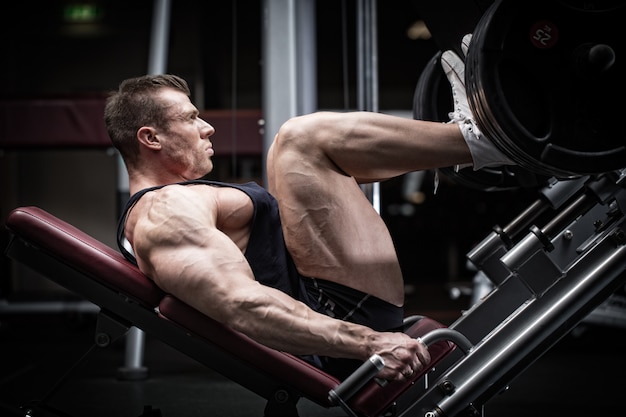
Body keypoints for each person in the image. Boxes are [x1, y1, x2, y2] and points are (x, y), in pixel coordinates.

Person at [105, 39, 512, 382]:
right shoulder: (163, 213)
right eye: (192, 118)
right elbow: (240, 303)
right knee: (300, 139)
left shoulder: (174, 203)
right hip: (334, 327)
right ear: (150, 138)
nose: (207, 127)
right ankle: (484, 141)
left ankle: (473, 147)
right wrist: (369, 343)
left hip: (331, 310)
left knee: (293, 147)